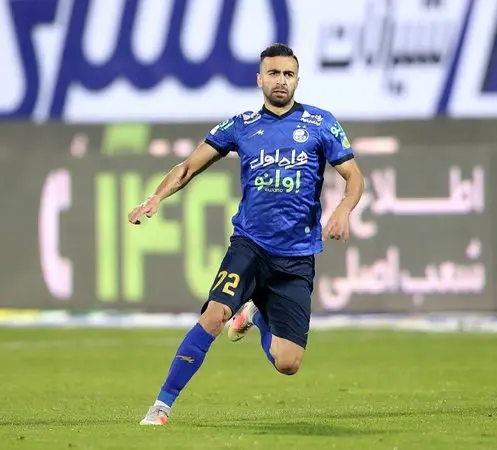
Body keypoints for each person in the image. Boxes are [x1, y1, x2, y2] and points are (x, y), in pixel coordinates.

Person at [127, 43, 365, 426]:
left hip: (296, 258)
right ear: (259, 79)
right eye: (273, 73)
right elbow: (188, 167)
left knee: (288, 363)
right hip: (249, 246)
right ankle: (161, 406)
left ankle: (255, 314)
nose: (281, 81)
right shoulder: (241, 125)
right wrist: (156, 197)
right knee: (214, 316)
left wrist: (342, 210)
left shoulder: (321, 124)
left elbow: (354, 177)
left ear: (297, 79)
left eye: (288, 74)